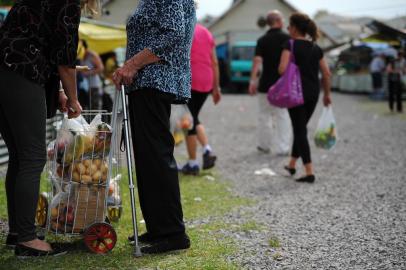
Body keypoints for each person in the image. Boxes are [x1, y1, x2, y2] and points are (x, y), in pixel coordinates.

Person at [0, 0, 83, 257]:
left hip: (5, 69)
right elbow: (65, 60)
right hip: (22, 72)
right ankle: (26, 239)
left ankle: (18, 231)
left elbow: (38, 38)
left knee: (19, 154)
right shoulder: (68, 2)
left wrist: (57, 90)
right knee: (33, 157)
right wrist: (73, 98)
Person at [112, 0, 196, 254]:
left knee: (156, 156)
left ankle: (172, 232)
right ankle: (160, 227)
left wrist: (132, 64)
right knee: (149, 158)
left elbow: (173, 33)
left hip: (155, 80)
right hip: (148, 82)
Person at [280, 13, 332, 183]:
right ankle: (292, 164)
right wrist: (328, 94)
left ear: (294, 27)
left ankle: (309, 171)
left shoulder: (290, 44)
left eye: (289, 25)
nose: (288, 29)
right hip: (313, 93)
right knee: (300, 127)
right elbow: (326, 72)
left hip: (295, 93)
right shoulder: (316, 48)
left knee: (300, 130)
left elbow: (281, 69)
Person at [179, 23, 221, 175]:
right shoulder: (206, 32)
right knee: (193, 117)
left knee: (189, 121)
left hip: (190, 79)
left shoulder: (182, 27)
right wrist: (216, 87)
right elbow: (215, 61)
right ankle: (206, 150)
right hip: (206, 80)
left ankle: (193, 164)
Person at [249, 10, 292, 155]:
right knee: (282, 115)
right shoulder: (287, 39)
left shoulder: (262, 40)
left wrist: (252, 81)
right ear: (279, 21)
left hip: (265, 84)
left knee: (264, 115)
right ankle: (283, 148)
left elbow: (257, 61)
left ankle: (264, 146)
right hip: (282, 84)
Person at [79, 39, 104, 110]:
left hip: (94, 86)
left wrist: (87, 73)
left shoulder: (92, 55)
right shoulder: (81, 56)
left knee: (95, 108)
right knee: (86, 108)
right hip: (84, 87)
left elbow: (101, 68)